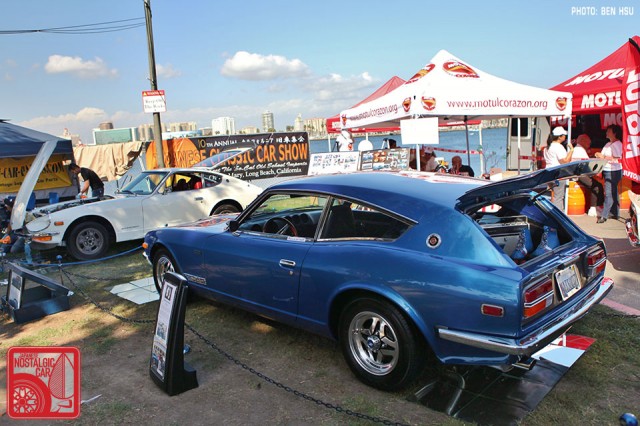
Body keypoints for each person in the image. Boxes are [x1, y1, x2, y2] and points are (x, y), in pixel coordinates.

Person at [595, 124, 623, 223]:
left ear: (614, 133)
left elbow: (619, 159)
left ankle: (604, 215)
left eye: (609, 131)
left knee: (609, 193)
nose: (606, 132)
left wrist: (603, 157)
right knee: (613, 192)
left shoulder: (618, 144)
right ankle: (615, 213)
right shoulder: (608, 144)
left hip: (614, 171)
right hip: (608, 170)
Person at [571, 134, 604, 216]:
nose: (589, 146)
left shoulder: (578, 149)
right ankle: (593, 208)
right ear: (582, 141)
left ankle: (595, 207)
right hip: (579, 174)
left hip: (579, 173)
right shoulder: (579, 149)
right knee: (596, 186)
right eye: (588, 143)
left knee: (597, 185)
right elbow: (585, 164)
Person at [543, 126, 573, 210]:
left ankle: (550, 214)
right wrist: (571, 151)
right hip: (558, 174)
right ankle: (558, 218)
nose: (565, 137)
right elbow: (565, 161)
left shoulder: (547, 147)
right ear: (560, 137)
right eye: (564, 135)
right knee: (558, 198)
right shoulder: (558, 147)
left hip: (548, 173)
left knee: (552, 197)